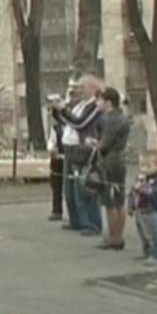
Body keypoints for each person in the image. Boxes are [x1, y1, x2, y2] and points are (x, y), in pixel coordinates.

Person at [53, 75, 103, 236]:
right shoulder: (79, 104)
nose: (78, 91)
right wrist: (57, 109)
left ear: (93, 89)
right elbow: (66, 122)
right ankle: (75, 220)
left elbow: (80, 123)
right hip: (68, 149)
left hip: (81, 150)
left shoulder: (94, 106)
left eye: (82, 88)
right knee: (69, 189)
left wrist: (64, 110)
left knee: (82, 188)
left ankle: (90, 223)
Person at [88, 87, 130, 250]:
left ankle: (114, 238)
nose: (98, 103)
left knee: (110, 201)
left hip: (110, 161)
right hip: (120, 159)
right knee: (119, 199)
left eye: (100, 100)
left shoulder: (111, 119)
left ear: (108, 102)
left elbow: (104, 144)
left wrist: (93, 144)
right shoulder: (122, 116)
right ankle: (117, 237)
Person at [128, 165, 157, 265]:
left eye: (150, 166)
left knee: (154, 234)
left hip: (152, 211)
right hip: (140, 210)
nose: (146, 168)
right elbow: (132, 192)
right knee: (143, 233)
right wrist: (130, 205)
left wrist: (144, 189)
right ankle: (147, 252)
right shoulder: (141, 178)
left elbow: (156, 196)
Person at [46, 117, 66, 222]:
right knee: (56, 186)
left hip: (69, 158)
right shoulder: (56, 128)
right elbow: (51, 141)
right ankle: (57, 211)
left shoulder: (75, 126)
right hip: (57, 159)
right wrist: (51, 148)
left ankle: (75, 215)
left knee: (70, 188)